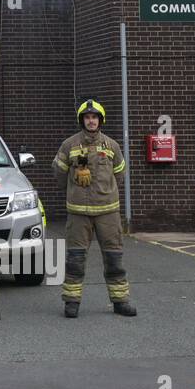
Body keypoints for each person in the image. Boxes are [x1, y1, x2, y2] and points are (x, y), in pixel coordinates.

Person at [54, 99, 136, 318]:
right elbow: (59, 173)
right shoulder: (69, 145)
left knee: (114, 259)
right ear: (82, 120)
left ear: (100, 120)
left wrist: (105, 190)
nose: (91, 121)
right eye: (87, 117)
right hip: (78, 213)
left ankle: (120, 301)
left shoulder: (112, 146)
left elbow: (119, 174)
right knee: (75, 260)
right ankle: (71, 302)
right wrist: (73, 187)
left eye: (94, 117)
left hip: (107, 212)